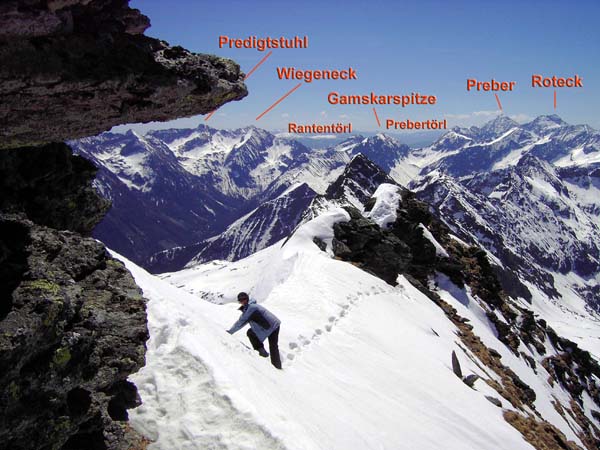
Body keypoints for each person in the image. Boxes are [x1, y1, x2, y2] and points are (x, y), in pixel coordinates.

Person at [227, 292, 282, 369]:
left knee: (273, 346)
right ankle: (262, 351)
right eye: (241, 300)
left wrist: (230, 332)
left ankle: (276, 366)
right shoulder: (250, 307)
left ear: (247, 299)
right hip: (273, 325)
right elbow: (243, 321)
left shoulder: (251, 308)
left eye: (244, 299)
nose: (243, 301)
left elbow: (240, 322)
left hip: (273, 327)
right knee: (251, 332)